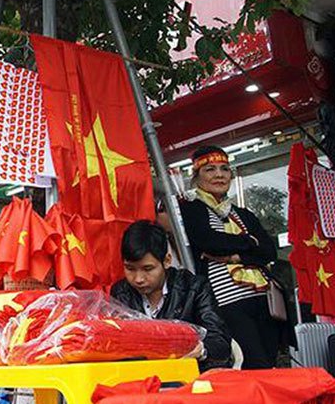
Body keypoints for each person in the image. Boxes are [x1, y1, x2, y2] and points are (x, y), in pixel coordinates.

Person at [177, 145, 282, 369]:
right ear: (196, 177)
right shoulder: (191, 209)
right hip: (226, 301)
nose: (219, 175)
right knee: (254, 362)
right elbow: (209, 241)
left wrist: (234, 256)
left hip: (262, 298)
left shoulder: (242, 214)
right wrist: (249, 242)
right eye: (210, 170)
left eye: (224, 169)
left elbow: (268, 251)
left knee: (271, 360)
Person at [110, 220, 232, 370]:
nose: (138, 279)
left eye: (148, 269)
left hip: (190, 377)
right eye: (130, 269)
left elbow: (220, 342)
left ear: (167, 261)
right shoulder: (121, 293)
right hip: (141, 378)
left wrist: (200, 350)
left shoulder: (194, 288)